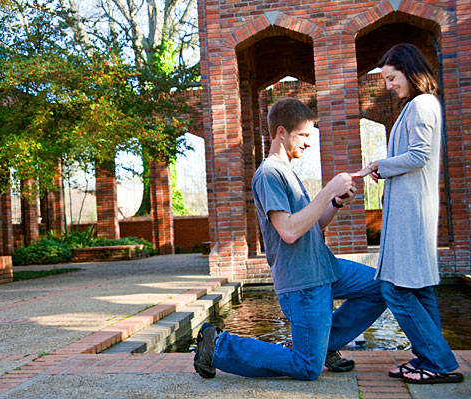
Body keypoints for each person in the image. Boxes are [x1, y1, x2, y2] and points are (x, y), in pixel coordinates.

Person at [193, 97, 386, 381]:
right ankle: (219, 345)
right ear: (281, 132)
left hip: (324, 268)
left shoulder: (287, 173)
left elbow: (310, 226)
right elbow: (289, 231)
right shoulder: (269, 174)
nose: (309, 142)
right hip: (302, 282)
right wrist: (325, 190)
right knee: (307, 367)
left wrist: (334, 202)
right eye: (304, 135)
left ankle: (327, 345)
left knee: (380, 286)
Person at [362, 43, 463, 384]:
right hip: (409, 210)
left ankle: (439, 361)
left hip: (412, 214)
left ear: (409, 70)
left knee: (394, 288)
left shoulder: (421, 105)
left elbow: (419, 156)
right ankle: (429, 356)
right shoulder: (418, 105)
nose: (388, 86)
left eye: (392, 78)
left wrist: (381, 165)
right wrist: (387, 169)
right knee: (418, 288)